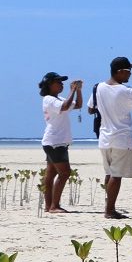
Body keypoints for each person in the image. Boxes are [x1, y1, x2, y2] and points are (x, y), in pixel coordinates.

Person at [92, 56, 132, 219]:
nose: (130, 74)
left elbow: (91, 109)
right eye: (128, 71)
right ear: (119, 72)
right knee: (116, 176)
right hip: (121, 138)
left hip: (104, 138)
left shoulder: (98, 87)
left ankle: (108, 206)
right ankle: (110, 210)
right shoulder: (127, 91)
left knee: (109, 173)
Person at [39, 72, 82, 213]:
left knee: (51, 174)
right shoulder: (49, 99)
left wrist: (78, 91)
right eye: (59, 82)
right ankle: (54, 206)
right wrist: (72, 90)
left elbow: (77, 105)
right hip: (55, 142)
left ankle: (48, 206)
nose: (62, 84)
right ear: (50, 85)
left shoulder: (57, 99)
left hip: (56, 141)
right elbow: (64, 106)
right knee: (64, 173)